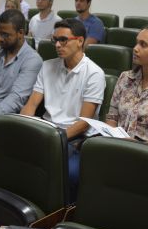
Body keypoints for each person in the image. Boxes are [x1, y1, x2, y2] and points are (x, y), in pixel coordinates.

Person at [21, 18, 105, 200]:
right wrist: (22, 127)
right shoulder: (47, 66)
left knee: (71, 173)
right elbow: (31, 105)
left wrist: (54, 139)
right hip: (47, 129)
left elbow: (84, 122)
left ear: (80, 41)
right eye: (55, 40)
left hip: (75, 138)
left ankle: (64, 215)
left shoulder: (94, 73)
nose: (57, 45)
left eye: (63, 40)